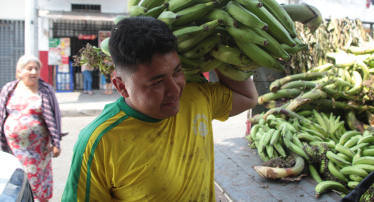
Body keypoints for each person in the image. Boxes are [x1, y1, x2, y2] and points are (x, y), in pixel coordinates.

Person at [62, 17, 258, 201]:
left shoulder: (195, 96)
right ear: (121, 86)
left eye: (177, 72)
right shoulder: (99, 142)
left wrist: (215, 47)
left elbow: (248, 97)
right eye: (156, 82)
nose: (175, 90)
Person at [0, 55, 63, 202]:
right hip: (14, 149)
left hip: (38, 151)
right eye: (29, 69)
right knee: (18, 180)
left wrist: (56, 143)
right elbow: (2, 113)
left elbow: (56, 117)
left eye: (36, 68)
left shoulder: (46, 90)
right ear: (19, 71)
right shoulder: (9, 88)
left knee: (37, 183)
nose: (33, 72)